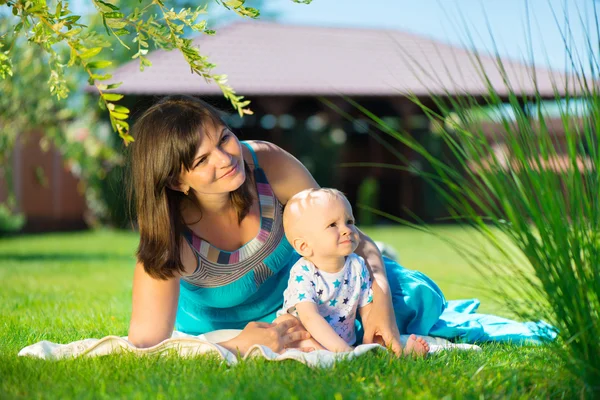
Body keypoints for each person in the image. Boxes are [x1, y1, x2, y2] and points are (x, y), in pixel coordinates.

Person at [128, 94, 440, 357]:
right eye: (201, 160)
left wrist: (379, 301)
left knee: (411, 295)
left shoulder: (268, 165)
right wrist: (239, 344)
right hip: (229, 326)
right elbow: (146, 344)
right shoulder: (168, 234)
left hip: (312, 296)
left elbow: (353, 237)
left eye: (224, 138)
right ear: (175, 180)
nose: (224, 159)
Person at [277, 188, 430, 355]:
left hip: (346, 341)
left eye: (349, 221)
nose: (346, 230)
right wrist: (342, 349)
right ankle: (340, 355)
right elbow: (309, 318)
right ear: (304, 246)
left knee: (377, 328)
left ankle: (395, 351)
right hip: (308, 336)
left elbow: (368, 309)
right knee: (290, 326)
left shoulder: (356, 265)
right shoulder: (303, 272)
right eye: (332, 225)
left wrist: (373, 336)